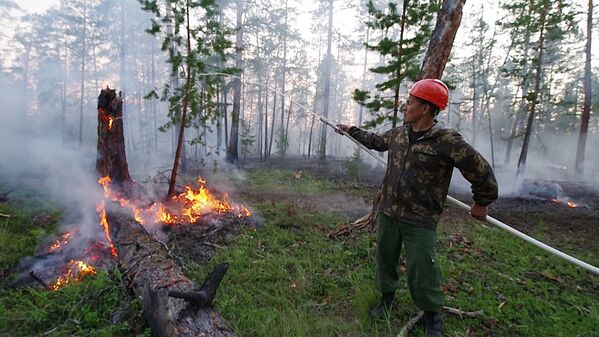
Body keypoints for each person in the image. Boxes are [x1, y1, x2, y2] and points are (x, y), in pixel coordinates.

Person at [336, 79, 498, 337]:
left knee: (422, 266)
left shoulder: (447, 141)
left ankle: (432, 316)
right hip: (390, 212)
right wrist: (350, 130)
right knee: (385, 258)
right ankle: (387, 299)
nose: (405, 106)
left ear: (425, 108)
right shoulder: (400, 134)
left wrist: (481, 202)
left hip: (420, 219)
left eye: (410, 102)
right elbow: (376, 140)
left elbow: (480, 170)